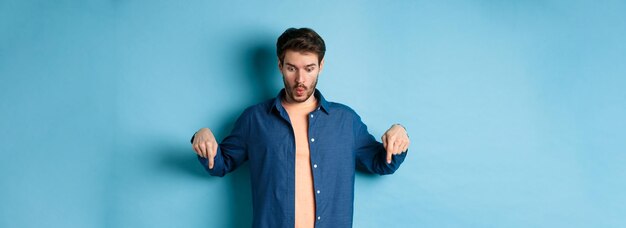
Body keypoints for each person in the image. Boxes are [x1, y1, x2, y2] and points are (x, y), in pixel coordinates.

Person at [191, 27, 410, 228]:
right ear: (280, 66)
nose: (300, 80)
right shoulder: (254, 119)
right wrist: (202, 137)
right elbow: (220, 165)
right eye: (292, 68)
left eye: (309, 68)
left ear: (321, 66)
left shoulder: (346, 121)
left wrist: (399, 132)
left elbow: (382, 164)